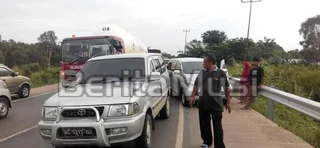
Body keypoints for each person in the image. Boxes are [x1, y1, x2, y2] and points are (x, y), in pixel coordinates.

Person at [189, 53, 231, 148]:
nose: (203, 63)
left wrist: (228, 102)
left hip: (216, 105)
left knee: (218, 127)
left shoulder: (220, 73)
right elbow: (196, 85)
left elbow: (226, 87)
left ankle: (219, 145)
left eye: (204, 62)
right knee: (204, 125)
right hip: (203, 104)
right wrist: (192, 97)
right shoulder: (202, 73)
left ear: (210, 62)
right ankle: (207, 141)